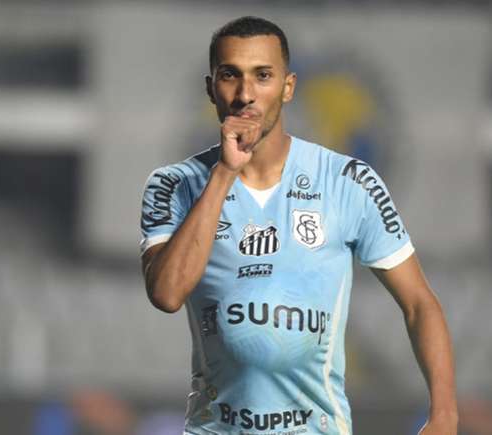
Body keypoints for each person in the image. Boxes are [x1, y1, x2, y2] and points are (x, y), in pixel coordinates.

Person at [140, 16, 457, 435]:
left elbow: (419, 303)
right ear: (210, 88)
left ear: (288, 87)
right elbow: (166, 293)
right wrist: (223, 174)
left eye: (263, 76)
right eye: (230, 75)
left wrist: (444, 416)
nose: (246, 94)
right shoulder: (173, 183)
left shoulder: (348, 182)